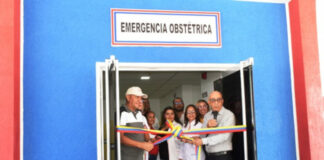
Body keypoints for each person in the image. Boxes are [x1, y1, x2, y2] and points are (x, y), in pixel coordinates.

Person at [193, 91, 235, 160]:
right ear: (209, 102)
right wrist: (207, 126)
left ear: (222, 101)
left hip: (223, 156)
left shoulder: (229, 115)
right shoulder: (207, 115)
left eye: (218, 100)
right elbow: (202, 135)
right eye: (213, 100)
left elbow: (224, 136)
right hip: (209, 155)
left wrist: (203, 141)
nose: (216, 103)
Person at [120, 86, 154, 160]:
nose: (140, 100)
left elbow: (146, 138)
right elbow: (120, 138)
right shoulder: (122, 112)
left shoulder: (139, 114)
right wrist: (142, 145)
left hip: (140, 157)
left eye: (141, 98)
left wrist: (147, 138)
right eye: (137, 97)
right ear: (128, 98)